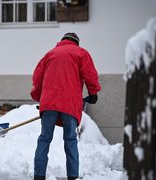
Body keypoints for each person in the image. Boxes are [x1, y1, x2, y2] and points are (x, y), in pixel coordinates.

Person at [31, 32, 101, 180]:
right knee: (70, 140)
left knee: (44, 138)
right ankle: (72, 176)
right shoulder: (81, 53)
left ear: (62, 41)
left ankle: (39, 175)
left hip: (49, 103)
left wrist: (39, 98)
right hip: (69, 104)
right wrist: (93, 93)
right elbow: (90, 74)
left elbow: (37, 78)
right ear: (76, 42)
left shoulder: (50, 54)